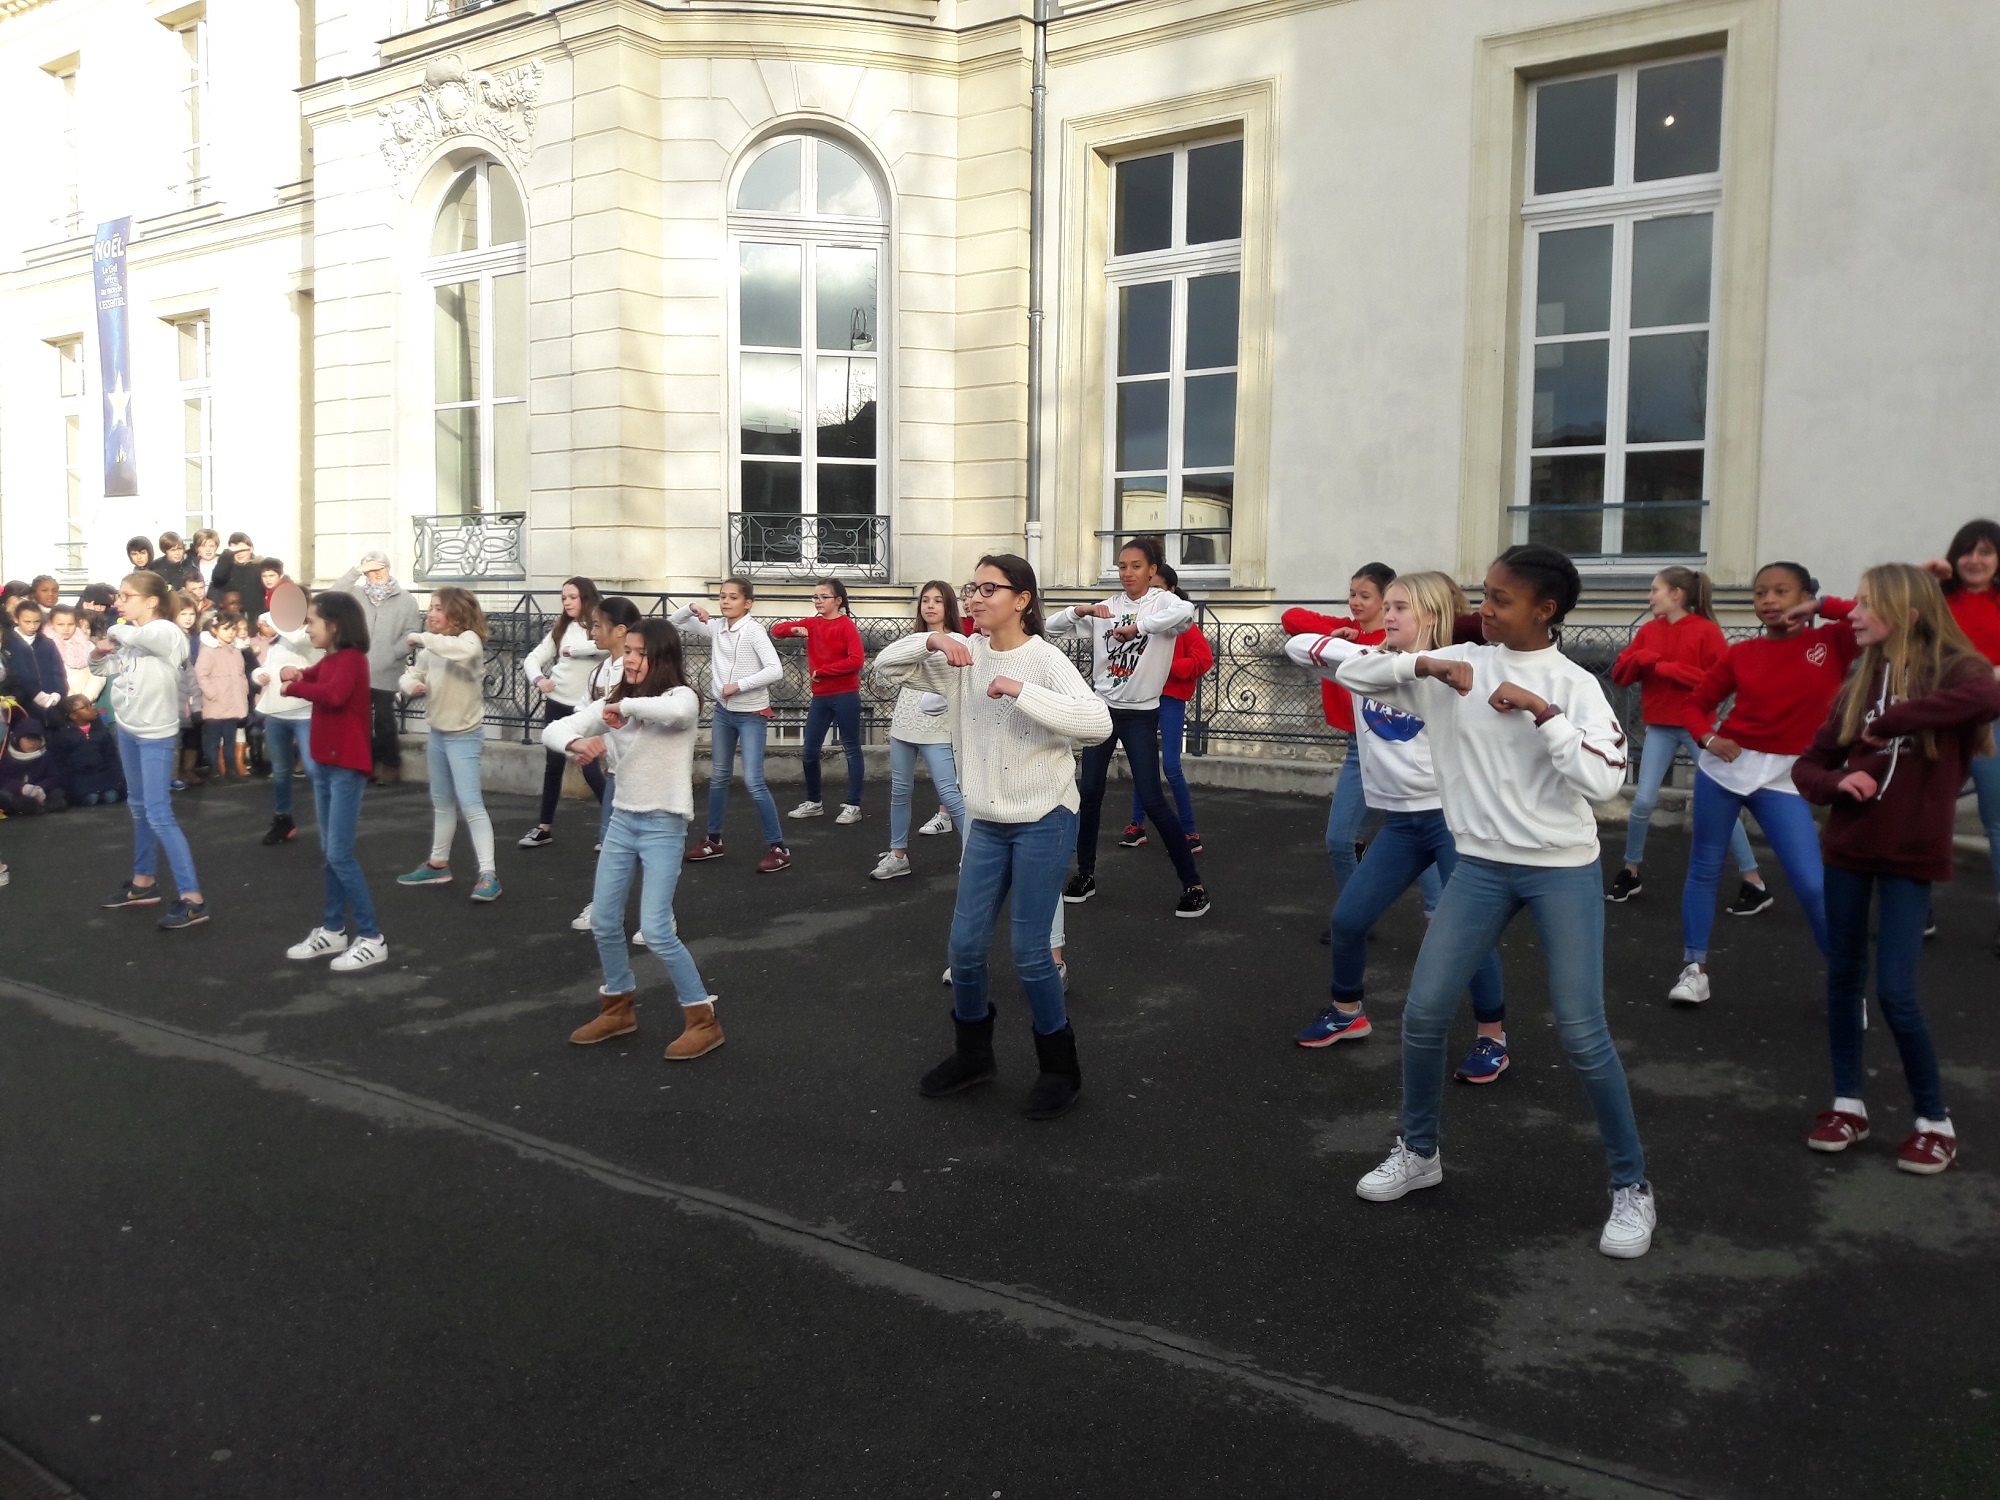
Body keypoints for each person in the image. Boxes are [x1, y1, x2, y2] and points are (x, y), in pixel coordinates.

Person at [1335, 544, 1654, 1258]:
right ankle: (1420, 1153)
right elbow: (1348, 670)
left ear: (1546, 611)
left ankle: (1631, 1187)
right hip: (1480, 865)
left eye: (1502, 601)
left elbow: (1603, 781)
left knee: (1582, 1031)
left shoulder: (1573, 684)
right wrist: (1421, 663)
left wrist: (1544, 713)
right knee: (1421, 1017)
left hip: (1559, 868)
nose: (1485, 609)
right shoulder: (1460, 667)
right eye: (1484, 595)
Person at [875, 553, 1112, 1119]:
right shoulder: (962, 655)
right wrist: (933, 642)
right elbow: (885, 664)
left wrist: (1021, 691)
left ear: (1022, 599)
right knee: (964, 948)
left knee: (1032, 953)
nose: (976, 597)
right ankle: (974, 1054)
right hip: (985, 822)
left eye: (990, 588)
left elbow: (1097, 723)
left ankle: (1060, 1067)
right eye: (972, 588)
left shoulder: (1045, 658)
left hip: (1044, 819)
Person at [1792, 563, 2000, 1173]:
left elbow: (1988, 693)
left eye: (1864, 604)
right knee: (1843, 981)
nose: (1850, 614)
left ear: (1906, 614)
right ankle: (1847, 1105)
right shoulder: (1862, 678)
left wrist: (1891, 722)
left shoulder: (1952, 672)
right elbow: (1809, 766)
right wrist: (1837, 782)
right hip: (1850, 851)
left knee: (1897, 992)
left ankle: (1934, 1120)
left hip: (1912, 856)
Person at [1287, 572, 1510, 1081]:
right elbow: (1295, 645)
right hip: (1402, 826)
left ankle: (1493, 1039)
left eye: (1400, 608)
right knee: (1347, 922)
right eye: (1385, 606)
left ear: (1431, 615)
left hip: (1455, 824)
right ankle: (1348, 1015)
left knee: (1468, 935)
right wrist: (1337, 641)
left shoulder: (1462, 668)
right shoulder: (1368, 662)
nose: (1386, 615)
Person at [1671, 564, 1858, 1005]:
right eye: (1760, 593)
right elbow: (1696, 705)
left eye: (1781, 591)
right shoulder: (1742, 653)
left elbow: (1880, 616)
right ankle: (1693, 969)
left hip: (1785, 778)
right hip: (1725, 772)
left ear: (1806, 596)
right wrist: (1710, 738)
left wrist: (1822, 606)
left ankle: (1847, 985)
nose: (1768, 600)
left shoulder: (1832, 642)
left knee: (1812, 884)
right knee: (1704, 869)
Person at [547, 619, 723, 1059]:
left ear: (660, 657)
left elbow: (677, 714)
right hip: (623, 822)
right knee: (605, 920)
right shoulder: (614, 701)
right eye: (627, 650)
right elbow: (554, 729)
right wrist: (575, 745)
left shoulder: (679, 696)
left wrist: (624, 710)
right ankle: (618, 1008)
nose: (628, 658)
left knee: (658, 929)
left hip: (665, 824)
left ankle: (703, 1020)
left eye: (639, 651)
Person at [1049, 535, 1210, 917]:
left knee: (1152, 800)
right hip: (1101, 710)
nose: (1127, 573)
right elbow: (1052, 628)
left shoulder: (1164, 603)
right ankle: (1085, 874)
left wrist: (1138, 628)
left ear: (1152, 570)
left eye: (1136, 566)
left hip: (1140, 714)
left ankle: (1193, 884)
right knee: (1089, 793)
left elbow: (1184, 612)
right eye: (1121, 566)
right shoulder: (1108, 607)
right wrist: (1082, 610)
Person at [1607, 567, 1768, 909]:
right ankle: (1630, 871)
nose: (1649, 597)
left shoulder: (1706, 632)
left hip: (1700, 729)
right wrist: (1639, 659)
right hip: (1660, 727)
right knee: (1643, 801)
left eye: (1655, 590)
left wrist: (1661, 665)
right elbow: (1620, 674)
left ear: (1677, 594)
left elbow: (1720, 680)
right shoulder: (1649, 630)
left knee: (1722, 802)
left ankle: (1753, 880)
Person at [91, 571, 209, 929]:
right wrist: (98, 653)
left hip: (156, 735)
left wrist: (113, 630)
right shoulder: (135, 637)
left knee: (159, 814)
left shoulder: (167, 632)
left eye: (126, 596)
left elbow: (131, 634)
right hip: (129, 730)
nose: (119, 602)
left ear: (151, 601)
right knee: (139, 807)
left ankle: (193, 899)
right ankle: (143, 882)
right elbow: (106, 665)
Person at [1282, 565, 1408, 896]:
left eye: (1365, 596)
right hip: (1357, 746)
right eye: (1352, 594)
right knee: (1346, 839)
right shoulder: (1345, 629)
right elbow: (1292, 618)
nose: (1354, 602)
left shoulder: (1395, 641)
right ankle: (1356, 914)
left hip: (1396, 747)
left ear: (1386, 600)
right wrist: (1332, 640)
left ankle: (1360, 912)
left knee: (1418, 839)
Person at [278, 591, 387, 971]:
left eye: (311, 622)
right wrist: (293, 673)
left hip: (345, 767)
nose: (307, 628)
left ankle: (372, 937)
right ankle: (333, 929)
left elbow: (334, 694)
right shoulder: (330, 659)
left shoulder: (352, 660)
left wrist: (293, 686)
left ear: (334, 624)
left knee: (339, 853)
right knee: (330, 852)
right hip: (327, 764)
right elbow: (311, 676)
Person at [672, 578, 790, 871]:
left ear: (747, 603)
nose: (725, 601)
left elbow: (775, 670)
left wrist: (738, 685)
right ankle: (713, 841)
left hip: (751, 714)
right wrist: (691, 607)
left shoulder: (754, 632)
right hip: (724, 713)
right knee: (719, 777)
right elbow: (675, 623)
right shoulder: (717, 627)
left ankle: (779, 847)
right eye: (722, 597)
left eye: (733, 597)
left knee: (753, 780)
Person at [395, 587, 502, 902]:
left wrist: (423, 638)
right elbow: (412, 673)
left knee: (471, 806)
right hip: (439, 733)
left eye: (438, 608)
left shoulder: (469, 640)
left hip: (464, 736)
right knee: (441, 802)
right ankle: (438, 864)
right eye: (431, 607)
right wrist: (412, 683)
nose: (431, 613)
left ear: (456, 614)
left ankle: (489, 875)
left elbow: (463, 652)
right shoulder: (434, 647)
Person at [1925, 519, 2000, 953]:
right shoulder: (1938, 598)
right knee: (1928, 812)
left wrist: (1981, 676)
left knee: (1997, 820)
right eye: (1968, 551)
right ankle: (1918, 913)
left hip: (1993, 717)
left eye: (1986, 551)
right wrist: (1924, 575)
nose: (1975, 560)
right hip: (1943, 717)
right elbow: (1888, 607)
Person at [871, 581, 970, 880]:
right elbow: (883, 673)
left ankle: (974, 856)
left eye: (937, 601)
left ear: (948, 606)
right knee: (899, 791)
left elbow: (959, 685)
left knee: (951, 795)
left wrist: (940, 699)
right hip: (904, 724)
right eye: (925, 600)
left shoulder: (959, 640)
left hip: (937, 728)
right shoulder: (914, 640)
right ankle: (898, 854)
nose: (930, 606)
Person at [1121, 563, 1213, 855]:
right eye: (1151, 589)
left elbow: (1203, 660)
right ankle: (1137, 826)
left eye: (1159, 588)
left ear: (1172, 591)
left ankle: (1188, 832)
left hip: (1170, 699)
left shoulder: (1183, 625)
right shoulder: (1142, 623)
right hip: (1145, 699)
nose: (1154, 595)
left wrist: (1167, 668)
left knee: (1171, 766)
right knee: (1142, 764)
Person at [569, 597, 648, 935]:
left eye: (597, 626)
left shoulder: (641, 670)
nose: (591, 631)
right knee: (610, 843)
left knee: (652, 850)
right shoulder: (600, 670)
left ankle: (659, 915)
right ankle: (602, 907)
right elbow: (585, 710)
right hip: (616, 773)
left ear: (619, 631)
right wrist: (580, 736)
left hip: (645, 774)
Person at [518, 576, 606, 847]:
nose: (567, 602)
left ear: (586, 598)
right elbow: (533, 658)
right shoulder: (561, 628)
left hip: (584, 708)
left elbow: (604, 646)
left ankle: (615, 827)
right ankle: (544, 827)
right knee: (553, 765)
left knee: (589, 765)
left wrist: (573, 651)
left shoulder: (599, 626)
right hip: (557, 701)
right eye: (564, 598)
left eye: (572, 597)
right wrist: (539, 680)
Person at [775, 578, 868, 825]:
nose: (818, 601)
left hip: (846, 695)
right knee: (810, 750)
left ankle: (853, 805)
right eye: (815, 596)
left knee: (851, 749)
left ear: (838, 601)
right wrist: (793, 630)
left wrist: (824, 671)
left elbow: (856, 660)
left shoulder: (846, 625)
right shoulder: (812, 624)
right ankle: (814, 802)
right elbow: (776, 630)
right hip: (821, 698)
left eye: (823, 597)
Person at [336, 550, 424, 787]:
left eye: (380, 568)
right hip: (358, 670)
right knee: (359, 722)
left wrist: (394, 653)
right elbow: (331, 597)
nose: (376, 573)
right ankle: (365, 765)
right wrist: (356, 571)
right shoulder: (355, 594)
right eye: (371, 569)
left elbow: (412, 633)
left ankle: (391, 765)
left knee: (384, 720)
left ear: (388, 568)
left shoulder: (405, 599)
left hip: (387, 669)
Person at [250, 607, 319, 843]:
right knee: (280, 771)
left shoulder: (309, 638)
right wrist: (258, 676)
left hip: (304, 713)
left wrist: (272, 618)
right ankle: (283, 819)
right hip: (276, 712)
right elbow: (266, 668)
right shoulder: (278, 641)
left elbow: (300, 641)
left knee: (312, 768)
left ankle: (330, 816)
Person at [194, 610, 251, 781]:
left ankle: (231, 770)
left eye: (233, 629)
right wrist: (213, 694)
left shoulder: (235, 650)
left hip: (232, 702)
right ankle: (214, 771)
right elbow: (201, 674)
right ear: (214, 630)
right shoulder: (209, 650)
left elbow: (240, 674)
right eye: (226, 629)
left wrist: (243, 691)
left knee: (230, 739)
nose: (231, 633)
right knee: (213, 740)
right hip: (216, 704)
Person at [52, 695, 125, 806]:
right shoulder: (64, 735)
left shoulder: (101, 732)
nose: (92, 709)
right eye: (85, 707)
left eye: (91, 705)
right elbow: (62, 763)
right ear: (73, 715)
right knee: (92, 798)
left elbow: (111, 758)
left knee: (111, 797)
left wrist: (116, 780)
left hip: (103, 775)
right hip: (80, 778)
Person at [4, 599, 68, 726]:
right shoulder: (8, 644)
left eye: (37, 621)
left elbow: (58, 671)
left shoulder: (47, 643)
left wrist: (58, 693)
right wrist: (34, 694)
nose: (33, 626)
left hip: (52, 706)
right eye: (27, 622)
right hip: (22, 706)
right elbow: (13, 675)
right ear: (16, 619)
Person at [0, 718, 67, 816]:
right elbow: (3, 779)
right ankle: (36, 807)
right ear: (17, 739)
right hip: (18, 792)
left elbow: (53, 777)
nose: (33, 743)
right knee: (7, 797)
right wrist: (22, 787)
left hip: (40, 791)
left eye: (37, 739)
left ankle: (42, 807)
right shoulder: (8, 756)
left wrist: (41, 787)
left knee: (58, 793)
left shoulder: (45, 755)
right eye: (28, 738)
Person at [46, 605, 97, 701]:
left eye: (70, 624)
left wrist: (86, 697)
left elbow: (98, 674)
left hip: (88, 701)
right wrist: (69, 700)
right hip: (60, 701)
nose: (66, 629)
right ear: (51, 624)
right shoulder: (46, 647)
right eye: (60, 624)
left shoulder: (88, 645)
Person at [208, 533, 258, 606]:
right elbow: (217, 578)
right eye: (235, 551)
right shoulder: (226, 567)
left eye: (242, 550)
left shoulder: (259, 567)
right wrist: (226, 554)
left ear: (251, 549)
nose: (239, 554)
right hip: (230, 614)